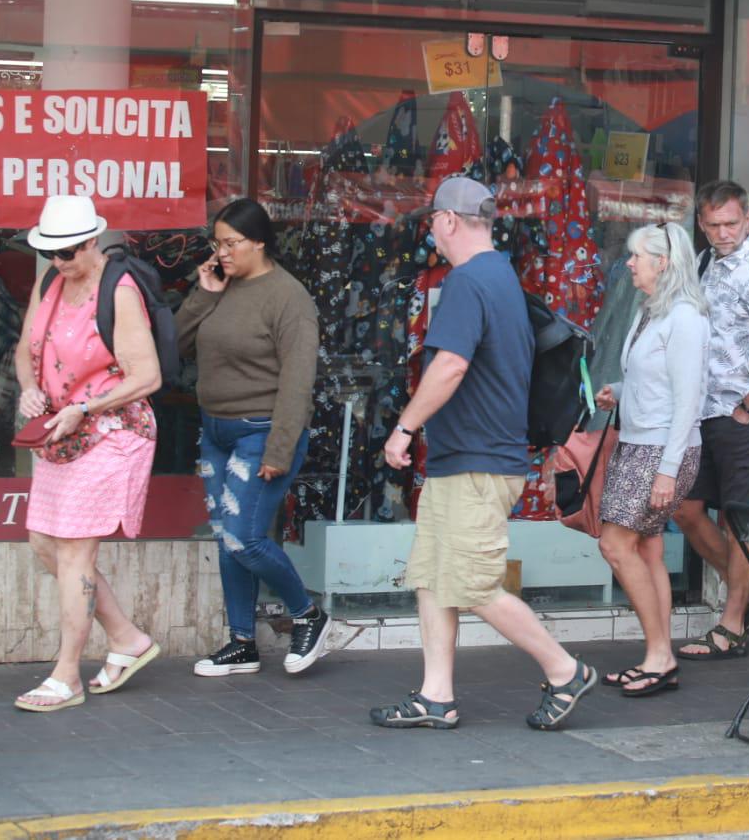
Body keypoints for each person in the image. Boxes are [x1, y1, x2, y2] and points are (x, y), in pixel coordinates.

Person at [372, 176, 597, 731]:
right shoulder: (500, 276)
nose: (430, 231)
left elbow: (449, 366)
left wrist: (404, 428)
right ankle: (435, 696)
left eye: (432, 221)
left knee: (471, 584)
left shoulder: (469, 283)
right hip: (470, 458)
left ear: (449, 221)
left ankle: (565, 669)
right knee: (433, 575)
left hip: (478, 461)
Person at [12, 195, 162, 711]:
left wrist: (86, 407)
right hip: (60, 431)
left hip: (111, 430)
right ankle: (126, 637)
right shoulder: (51, 280)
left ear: (92, 242)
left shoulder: (118, 290)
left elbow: (148, 377)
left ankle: (66, 675)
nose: (60, 262)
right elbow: (26, 348)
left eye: (69, 252)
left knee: (75, 549)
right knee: (43, 542)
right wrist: (28, 386)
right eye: (51, 253)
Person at [175, 198, 327, 678]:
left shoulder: (289, 298)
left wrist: (280, 450)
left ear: (259, 242)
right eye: (216, 243)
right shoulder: (220, 286)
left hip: (262, 432)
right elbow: (172, 345)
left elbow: (298, 381)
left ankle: (308, 614)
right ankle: (242, 642)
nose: (221, 252)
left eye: (230, 243)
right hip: (216, 430)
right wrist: (204, 293)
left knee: (244, 537)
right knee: (227, 538)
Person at [672, 180, 749, 661]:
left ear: (748, 220)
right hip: (703, 412)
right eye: (713, 224)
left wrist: (747, 408)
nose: (722, 233)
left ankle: (731, 624)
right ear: (701, 224)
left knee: (737, 520)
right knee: (684, 508)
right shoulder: (704, 264)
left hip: (745, 415)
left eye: (730, 223)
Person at [593, 223, 710, 697]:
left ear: (662, 263)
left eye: (637, 256)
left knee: (615, 545)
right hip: (639, 442)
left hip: (659, 450)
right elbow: (655, 381)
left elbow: (688, 401)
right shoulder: (651, 312)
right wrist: (618, 393)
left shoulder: (684, 317)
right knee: (648, 549)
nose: (629, 263)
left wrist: (666, 470)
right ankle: (658, 656)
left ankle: (659, 656)